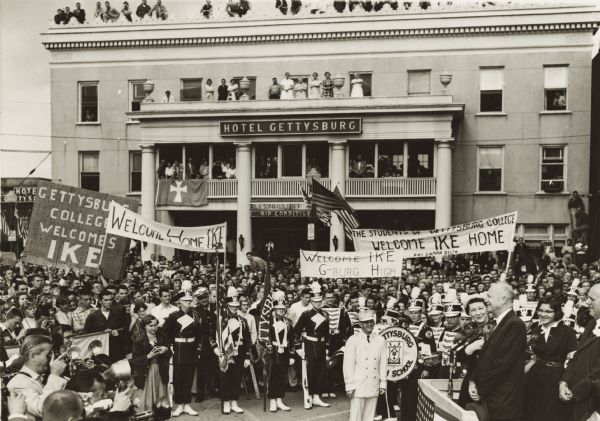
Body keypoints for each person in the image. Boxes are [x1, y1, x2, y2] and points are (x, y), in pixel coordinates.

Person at [470, 282, 527, 421]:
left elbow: (503, 364)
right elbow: (487, 359)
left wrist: (481, 388)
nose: (486, 300)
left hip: (502, 400)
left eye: (490, 296)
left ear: (502, 299)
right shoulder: (503, 323)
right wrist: (474, 381)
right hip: (494, 397)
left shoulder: (514, 324)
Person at [524, 296, 576, 421]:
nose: (543, 314)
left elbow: (573, 360)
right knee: (532, 411)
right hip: (535, 376)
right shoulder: (535, 331)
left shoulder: (567, 331)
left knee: (552, 413)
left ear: (556, 312)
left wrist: (565, 381)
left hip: (556, 376)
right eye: (540, 310)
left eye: (548, 311)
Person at [560, 283, 600, 421]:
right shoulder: (591, 324)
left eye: (592, 299)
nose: (587, 302)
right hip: (577, 400)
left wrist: (575, 392)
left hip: (593, 404)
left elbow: (598, 373)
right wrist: (564, 381)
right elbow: (577, 356)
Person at [6, 335, 68, 419]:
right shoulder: (18, 383)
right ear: (32, 356)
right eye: (48, 355)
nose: (52, 359)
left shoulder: (39, 377)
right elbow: (42, 409)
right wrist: (55, 375)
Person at [343, 308, 387, 421]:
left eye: (371, 322)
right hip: (358, 384)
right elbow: (348, 365)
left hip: (373, 382)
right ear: (361, 324)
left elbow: (383, 363)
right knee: (356, 417)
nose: (369, 324)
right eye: (366, 322)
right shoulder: (353, 340)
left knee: (369, 417)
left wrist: (383, 383)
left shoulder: (380, 340)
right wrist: (349, 385)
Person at [214, 287, 251, 414]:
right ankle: (226, 402)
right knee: (225, 378)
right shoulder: (221, 321)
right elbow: (212, 335)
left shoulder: (244, 321)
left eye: (237, 305)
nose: (235, 308)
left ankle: (234, 401)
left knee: (236, 377)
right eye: (232, 306)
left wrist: (247, 356)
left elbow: (247, 340)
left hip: (239, 352)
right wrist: (216, 348)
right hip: (225, 352)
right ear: (227, 306)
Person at [162, 291, 199, 416]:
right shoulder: (173, 316)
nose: (188, 303)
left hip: (191, 349)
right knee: (178, 378)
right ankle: (179, 405)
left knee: (189, 377)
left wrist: (197, 348)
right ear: (179, 302)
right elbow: (164, 334)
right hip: (178, 349)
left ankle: (187, 404)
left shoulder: (196, 315)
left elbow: (199, 334)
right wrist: (169, 347)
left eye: (189, 300)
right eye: (185, 301)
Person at [295, 282, 331, 409]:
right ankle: (308, 396)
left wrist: (327, 348)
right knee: (310, 372)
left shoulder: (325, 315)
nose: (317, 303)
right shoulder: (306, 315)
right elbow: (296, 331)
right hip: (310, 345)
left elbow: (327, 334)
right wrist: (298, 347)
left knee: (321, 371)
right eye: (315, 301)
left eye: (319, 301)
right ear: (311, 302)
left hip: (321, 346)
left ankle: (317, 396)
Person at [131, 314, 171, 411]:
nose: (154, 328)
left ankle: (161, 411)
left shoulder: (162, 336)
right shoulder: (139, 341)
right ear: (144, 326)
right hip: (147, 372)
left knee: (161, 392)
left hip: (161, 369)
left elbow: (170, 353)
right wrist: (148, 356)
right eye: (151, 326)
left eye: (155, 325)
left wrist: (166, 350)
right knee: (148, 394)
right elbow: (134, 361)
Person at [265, 291, 294, 412]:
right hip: (273, 351)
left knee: (282, 376)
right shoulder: (268, 322)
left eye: (283, 309)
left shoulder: (288, 322)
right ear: (274, 309)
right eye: (278, 309)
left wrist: (291, 354)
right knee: (273, 376)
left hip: (285, 351)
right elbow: (264, 336)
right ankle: (272, 400)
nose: (281, 311)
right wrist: (268, 345)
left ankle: (279, 400)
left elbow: (291, 339)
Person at [83, 291, 130, 363]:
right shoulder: (92, 316)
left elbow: (125, 327)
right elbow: (86, 335)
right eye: (106, 300)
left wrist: (118, 331)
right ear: (100, 301)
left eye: (110, 300)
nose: (109, 302)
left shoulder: (118, 314)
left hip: (116, 350)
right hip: (100, 352)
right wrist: (102, 334)